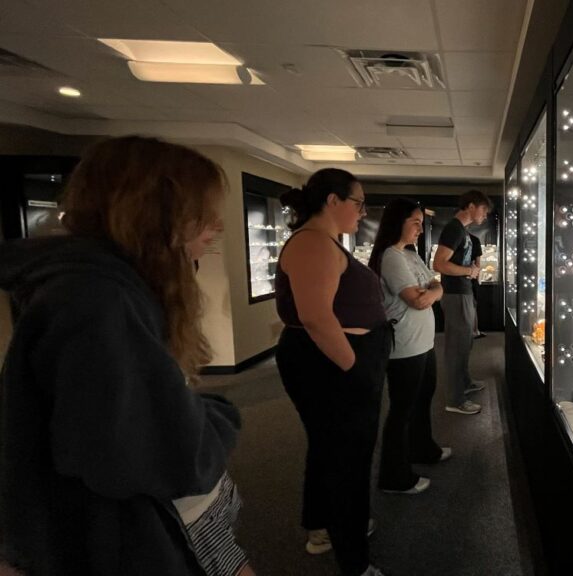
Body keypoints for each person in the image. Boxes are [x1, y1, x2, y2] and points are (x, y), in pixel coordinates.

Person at [0, 136, 250, 575]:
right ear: (163, 214)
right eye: (205, 216)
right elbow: (158, 452)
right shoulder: (98, 299)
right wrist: (217, 415)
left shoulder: (97, 286)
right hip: (134, 532)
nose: (215, 230)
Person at [274, 169, 389, 576]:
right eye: (358, 203)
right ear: (333, 201)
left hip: (333, 360)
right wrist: (355, 369)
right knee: (348, 459)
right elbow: (317, 318)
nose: (362, 211)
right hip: (331, 363)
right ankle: (353, 557)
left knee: (329, 449)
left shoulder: (322, 242)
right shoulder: (312, 243)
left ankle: (326, 527)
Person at [368, 199, 450, 495]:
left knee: (423, 398)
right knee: (402, 409)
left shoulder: (410, 255)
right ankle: (394, 476)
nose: (420, 228)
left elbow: (435, 286)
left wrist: (432, 292)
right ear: (397, 223)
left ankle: (422, 449)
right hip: (404, 346)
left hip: (423, 343)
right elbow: (417, 299)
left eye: (421, 223)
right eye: (414, 222)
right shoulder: (391, 256)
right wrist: (429, 293)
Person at [432, 190, 493, 415]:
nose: (484, 215)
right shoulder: (453, 229)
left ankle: (464, 383)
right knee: (456, 347)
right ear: (470, 206)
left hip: (463, 293)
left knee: (465, 342)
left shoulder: (462, 231)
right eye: (483, 209)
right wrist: (469, 270)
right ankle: (454, 399)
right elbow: (439, 264)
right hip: (455, 294)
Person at [469, 233, 485, 339]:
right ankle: (474, 331)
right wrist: (477, 278)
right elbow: (478, 263)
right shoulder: (474, 239)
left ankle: (472, 331)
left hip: (457, 280)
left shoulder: (453, 237)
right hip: (471, 277)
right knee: (473, 305)